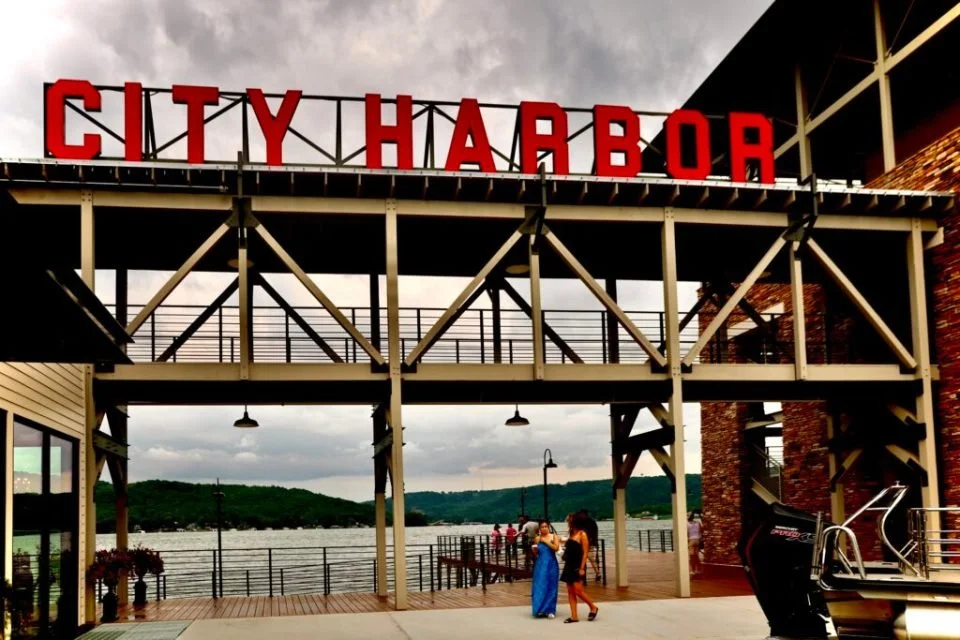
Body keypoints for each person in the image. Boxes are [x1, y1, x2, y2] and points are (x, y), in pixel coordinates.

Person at [560, 512, 598, 623]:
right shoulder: (572, 533)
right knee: (570, 591)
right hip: (569, 564)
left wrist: (582, 568)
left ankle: (593, 607)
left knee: (578, 590)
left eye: (569, 521)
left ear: (574, 522)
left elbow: (585, 553)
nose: (567, 522)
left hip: (577, 565)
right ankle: (574, 616)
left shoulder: (583, 534)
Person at [531, 519, 560, 619]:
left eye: (545, 526)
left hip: (551, 563)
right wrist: (534, 551)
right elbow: (537, 553)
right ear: (539, 528)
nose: (544, 528)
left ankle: (550, 609)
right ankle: (539, 609)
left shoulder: (554, 536)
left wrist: (546, 541)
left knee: (552, 586)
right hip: (540, 564)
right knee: (539, 585)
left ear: (548, 527)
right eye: (542, 527)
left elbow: (556, 548)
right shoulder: (537, 538)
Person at [576, 509, 601, 582]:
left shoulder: (591, 522)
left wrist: (593, 541)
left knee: (590, 558)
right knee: (585, 559)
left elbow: (594, 533)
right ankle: (584, 575)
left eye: (581, 514)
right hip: (582, 543)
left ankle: (597, 573)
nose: (581, 515)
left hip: (589, 544)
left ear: (584, 514)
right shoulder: (582, 522)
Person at [687, 511, 703, 577]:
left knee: (691, 556)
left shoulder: (686, 524)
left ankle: (692, 571)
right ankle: (698, 570)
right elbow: (701, 531)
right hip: (697, 540)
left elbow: (686, 533)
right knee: (696, 556)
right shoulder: (698, 523)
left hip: (691, 540)